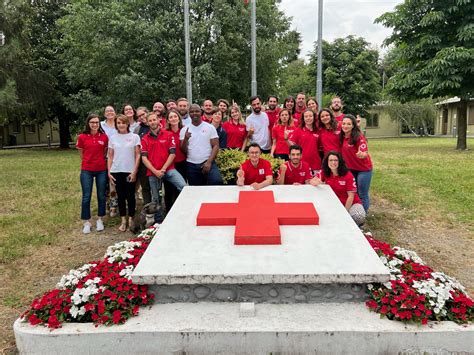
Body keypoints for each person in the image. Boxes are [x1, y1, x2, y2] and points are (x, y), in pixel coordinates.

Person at [141, 113, 187, 224]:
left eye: (154, 119)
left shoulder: (168, 134)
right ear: (147, 123)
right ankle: (158, 222)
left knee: (184, 187)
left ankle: (185, 213)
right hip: (153, 172)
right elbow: (144, 158)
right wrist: (155, 171)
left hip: (169, 169)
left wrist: (163, 169)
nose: (152, 122)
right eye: (150, 120)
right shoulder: (145, 139)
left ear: (159, 120)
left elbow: (172, 154)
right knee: (155, 199)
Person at [76, 114, 109, 234]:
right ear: (88, 123)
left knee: (101, 195)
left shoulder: (104, 137)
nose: (95, 124)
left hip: (101, 169)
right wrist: (88, 162)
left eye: (96, 122)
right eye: (92, 122)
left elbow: (105, 152)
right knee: (86, 196)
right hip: (87, 170)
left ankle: (100, 219)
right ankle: (87, 222)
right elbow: (81, 153)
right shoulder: (82, 137)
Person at [107, 115, 141, 232]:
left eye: (123, 122)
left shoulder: (134, 137)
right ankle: (123, 220)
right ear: (116, 124)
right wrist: (109, 171)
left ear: (127, 124)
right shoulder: (113, 138)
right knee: (120, 196)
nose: (121, 125)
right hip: (116, 171)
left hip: (129, 171)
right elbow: (110, 156)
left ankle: (131, 218)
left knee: (130, 195)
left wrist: (135, 171)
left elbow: (138, 155)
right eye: (119, 123)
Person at [313, 151, 366, 226]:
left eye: (335, 160)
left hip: (351, 203)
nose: (333, 162)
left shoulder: (347, 175)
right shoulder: (325, 172)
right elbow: (312, 181)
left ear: (339, 162)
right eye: (331, 160)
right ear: (327, 162)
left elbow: (351, 196)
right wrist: (316, 182)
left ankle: (355, 227)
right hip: (335, 203)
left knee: (359, 216)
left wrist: (345, 212)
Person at [180, 104, 223, 185]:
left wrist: (209, 162)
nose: (194, 113)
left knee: (217, 181)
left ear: (201, 113)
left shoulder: (210, 127)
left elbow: (216, 145)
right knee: (196, 190)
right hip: (191, 164)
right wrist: (185, 139)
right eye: (192, 112)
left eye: (197, 111)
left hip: (208, 161)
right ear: (189, 114)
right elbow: (183, 150)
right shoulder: (184, 129)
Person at [340, 114, 373, 212]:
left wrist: (362, 154)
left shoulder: (359, 137)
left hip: (363, 170)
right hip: (351, 169)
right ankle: (355, 212)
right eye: (344, 123)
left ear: (353, 125)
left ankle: (362, 216)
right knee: (354, 193)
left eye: (348, 124)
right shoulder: (342, 137)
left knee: (362, 194)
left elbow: (364, 151)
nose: (345, 126)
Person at [164, 109, 188, 212]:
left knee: (181, 187)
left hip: (182, 162)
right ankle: (169, 211)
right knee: (169, 189)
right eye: (171, 117)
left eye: (175, 116)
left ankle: (180, 209)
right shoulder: (164, 133)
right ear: (168, 121)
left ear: (179, 118)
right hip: (169, 165)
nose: (173, 119)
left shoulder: (184, 131)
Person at [133, 107, 152, 205]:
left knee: (157, 187)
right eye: (139, 116)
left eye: (143, 114)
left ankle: (158, 207)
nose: (141, 117)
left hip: (156, 161)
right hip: (143, 161)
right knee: (145, 186)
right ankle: (147, 207)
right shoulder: (137, 129)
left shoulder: (155, 124)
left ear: (147, 113)